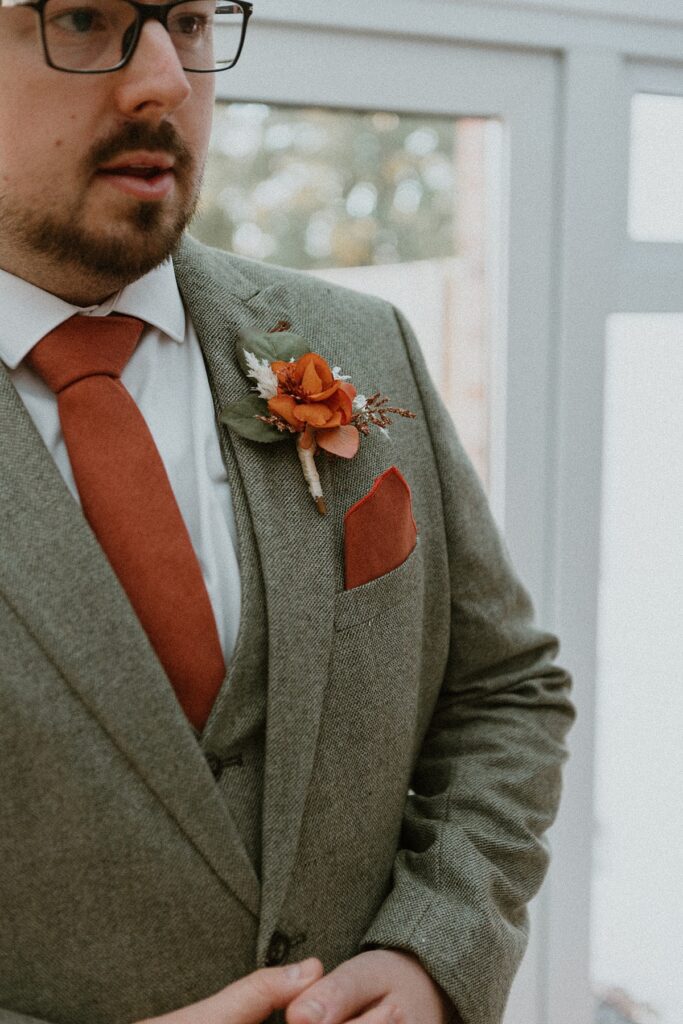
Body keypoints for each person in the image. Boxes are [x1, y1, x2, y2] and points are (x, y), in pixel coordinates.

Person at [0, 1, 575, 1023]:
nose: (168, 79)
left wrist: (437, 953)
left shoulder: (360, 342)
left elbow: (503, 691)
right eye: (82, 17)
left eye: (184, 20)